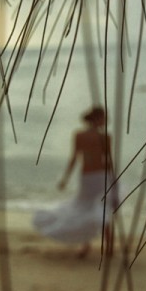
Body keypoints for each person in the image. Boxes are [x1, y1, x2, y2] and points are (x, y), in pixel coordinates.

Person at [33, 106, 118, 258]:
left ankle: (101, 245)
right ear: (96, 119)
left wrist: (112, 179)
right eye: (104, 117)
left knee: (93, 209)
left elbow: (105, 159)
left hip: (95, 176)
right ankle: (96, 245)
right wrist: (65, 177)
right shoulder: (87, 135)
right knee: (91, 209)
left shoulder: (102, 136)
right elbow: (76, 157)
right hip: (92, 177)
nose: (106, 120)